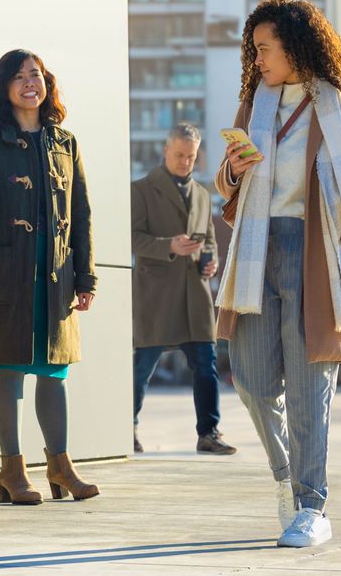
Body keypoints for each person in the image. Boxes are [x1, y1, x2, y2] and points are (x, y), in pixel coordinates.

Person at [215, 0, 341, 548]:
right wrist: (232, 175)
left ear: (295, 46)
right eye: (253, 49)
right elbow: (229, 201)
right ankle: (286, 476)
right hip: (256, 254)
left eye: (264, 48)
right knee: (253, 381)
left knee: (311, 392)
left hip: (316, 255)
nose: (257, 58)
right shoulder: (251, 106)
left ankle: (312, 505)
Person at [0, 49, 98, 505]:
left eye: (37, 75)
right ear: (4, 86)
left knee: (54, 372)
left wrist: (85, 276)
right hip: (7, 273)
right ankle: (12, 470)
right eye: (20, 76)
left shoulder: (65, 142)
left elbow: (81, 212)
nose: (30, 82)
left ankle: (61, 465)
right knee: (9, 370)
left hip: (56, 275)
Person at [131, 122, 235, 456]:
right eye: (179, 155)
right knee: (142, 367)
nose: (185, 162)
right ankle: (126, 428)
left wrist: (212, 262)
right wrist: (169, 245)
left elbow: (209, 241)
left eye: (191, 156)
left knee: (207, 365)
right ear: (165, 151)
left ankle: (209, 433)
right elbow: (132, 238)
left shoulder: (204, 195)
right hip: (156, 294)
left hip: (195, 293)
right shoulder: (142, 190)